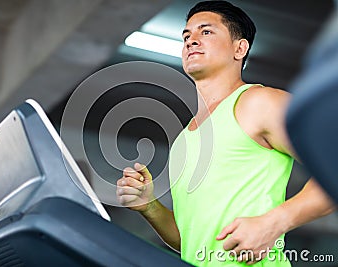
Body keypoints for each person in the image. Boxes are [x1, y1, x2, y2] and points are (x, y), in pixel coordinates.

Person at [116, 1, 336, 266]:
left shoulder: (259, 103)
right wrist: (150, 206)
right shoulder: (184, 140)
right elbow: (192, 241)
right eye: (186, 36)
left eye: (205, 32)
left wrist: (274, 222)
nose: (191, 41)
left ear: (240, 48)